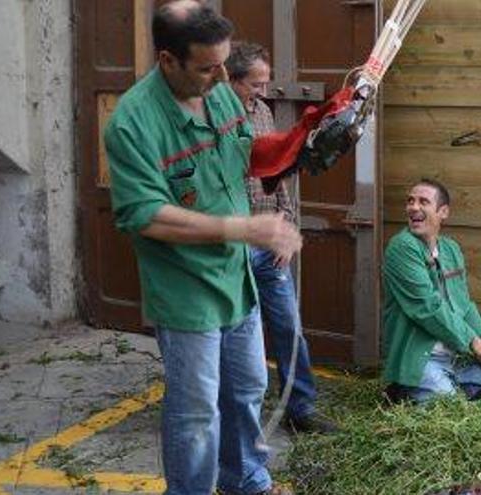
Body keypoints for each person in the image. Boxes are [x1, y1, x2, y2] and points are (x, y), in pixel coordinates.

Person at [104, 2, 298, 494]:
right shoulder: (132, 122)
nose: (220, 77)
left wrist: (304, 141)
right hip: (186, 289)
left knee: (248, 387)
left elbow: (246, 154)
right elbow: (145, 214)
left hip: (236, 277)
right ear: (168, 60)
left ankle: (246, 481)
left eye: (224, 64)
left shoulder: (220, 95)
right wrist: (243, 230)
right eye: (207, 68)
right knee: (195, 414)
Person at [225, 42, 336, 434]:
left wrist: (286, 221)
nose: (262, 91)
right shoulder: (216, 120)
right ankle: (236, 417)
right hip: (233, 247)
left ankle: (299, 408)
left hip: (269, 245)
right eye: (255, 84)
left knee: (288, 327)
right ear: (231, 79)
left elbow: (279, 173)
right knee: (242, 339)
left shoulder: (264, 113)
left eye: (266, 83)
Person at [382, 178, 481, 403]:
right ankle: (401, 389)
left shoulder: (451, 250)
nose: (413, 207)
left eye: (423, 202)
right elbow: (427, 306)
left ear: (443, 212)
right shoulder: (402, 247)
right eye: (410, 201)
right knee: (453, 409)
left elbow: (465, 307)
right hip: (422, 359)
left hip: (456, 357)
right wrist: (472, 341)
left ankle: (435, 389)